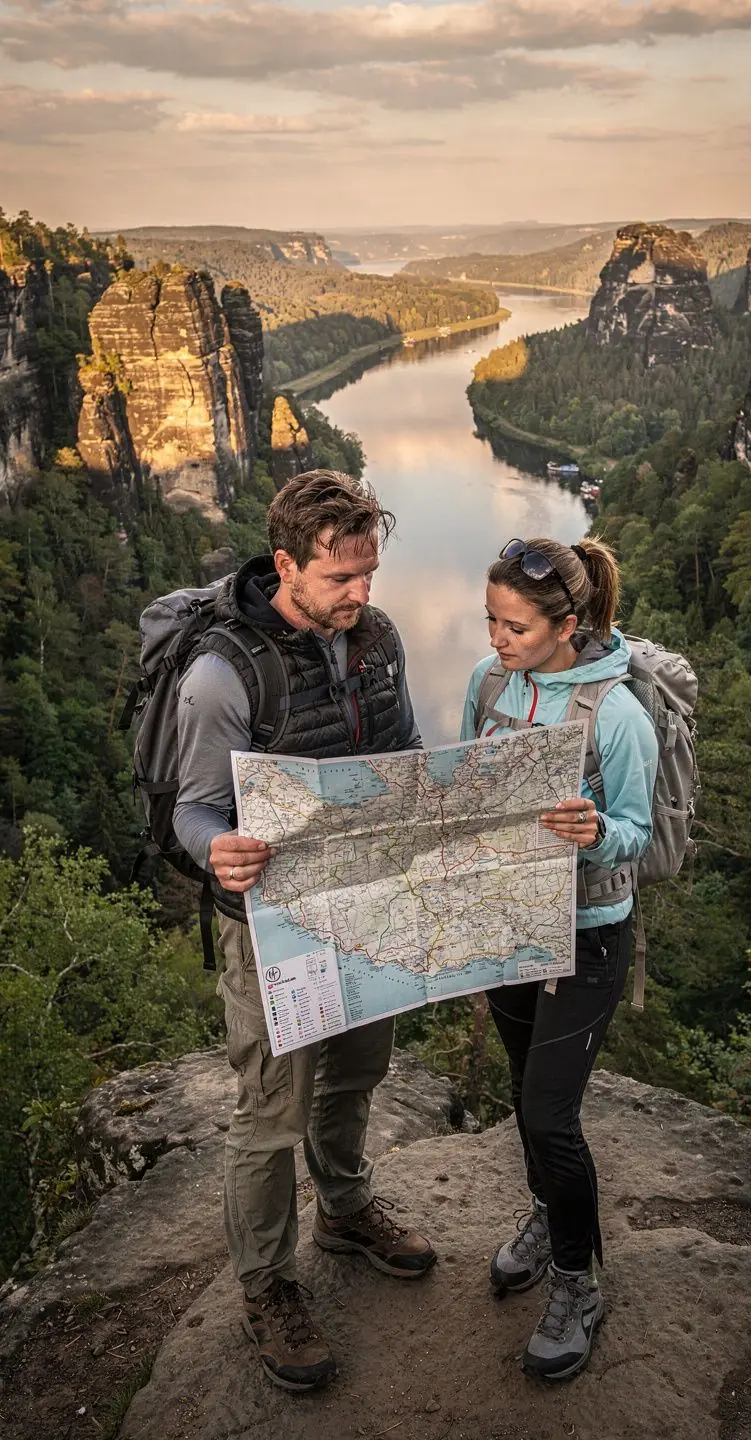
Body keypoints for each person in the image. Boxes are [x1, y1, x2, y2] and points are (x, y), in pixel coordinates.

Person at [174, 470, 436, 1394]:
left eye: (370, 573)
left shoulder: (378, 638)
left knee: (359, 1072)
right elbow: (193, 810)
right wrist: (221, 851)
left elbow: (400, 754)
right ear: (286, 564)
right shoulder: (221, 675)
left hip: (364, 902)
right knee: (271, 1111)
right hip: (272, 921)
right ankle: (268, 1287)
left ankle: (348, 1209)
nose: (362, 596)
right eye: (340, 579)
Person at [460, 534, 658, 1381]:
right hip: (510, 917)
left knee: (549, 1112)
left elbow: (637, 836)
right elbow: (468, 780)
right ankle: (547, 1214)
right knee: (520, 1090)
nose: (498, 641)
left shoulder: (616, 714)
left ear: (567, 623)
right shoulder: (489, 683)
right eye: (491, 622)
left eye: (515, 628)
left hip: (588, 929)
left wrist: (593, 832)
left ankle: (579, 1278)